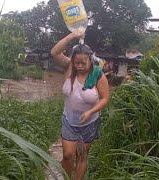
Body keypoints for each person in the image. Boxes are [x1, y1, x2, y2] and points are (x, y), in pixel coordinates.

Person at [51, 30, 109, 180]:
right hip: (69, 120)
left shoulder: (97, 75)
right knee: (68, 155)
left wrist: (90, 112)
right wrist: (72, 36)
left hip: (89, 123)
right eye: (77, 62)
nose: (80, 65)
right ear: (72, 61)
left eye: (84, 62)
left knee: (82, 155)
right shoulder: (69, 68)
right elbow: (55, 52)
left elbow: (104, 99)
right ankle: (66, 175)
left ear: (90, 60)